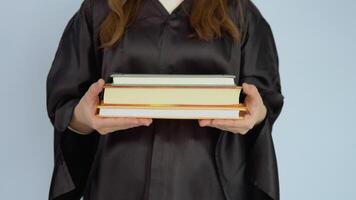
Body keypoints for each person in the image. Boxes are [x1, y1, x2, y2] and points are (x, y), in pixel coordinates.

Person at [46, 0, 284, 199]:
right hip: (117, 182)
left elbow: (265, 100)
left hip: (208, 186)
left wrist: (256, 115)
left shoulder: (238, 11)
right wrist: (82, 118)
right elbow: (66, 101)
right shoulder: (100, 8)